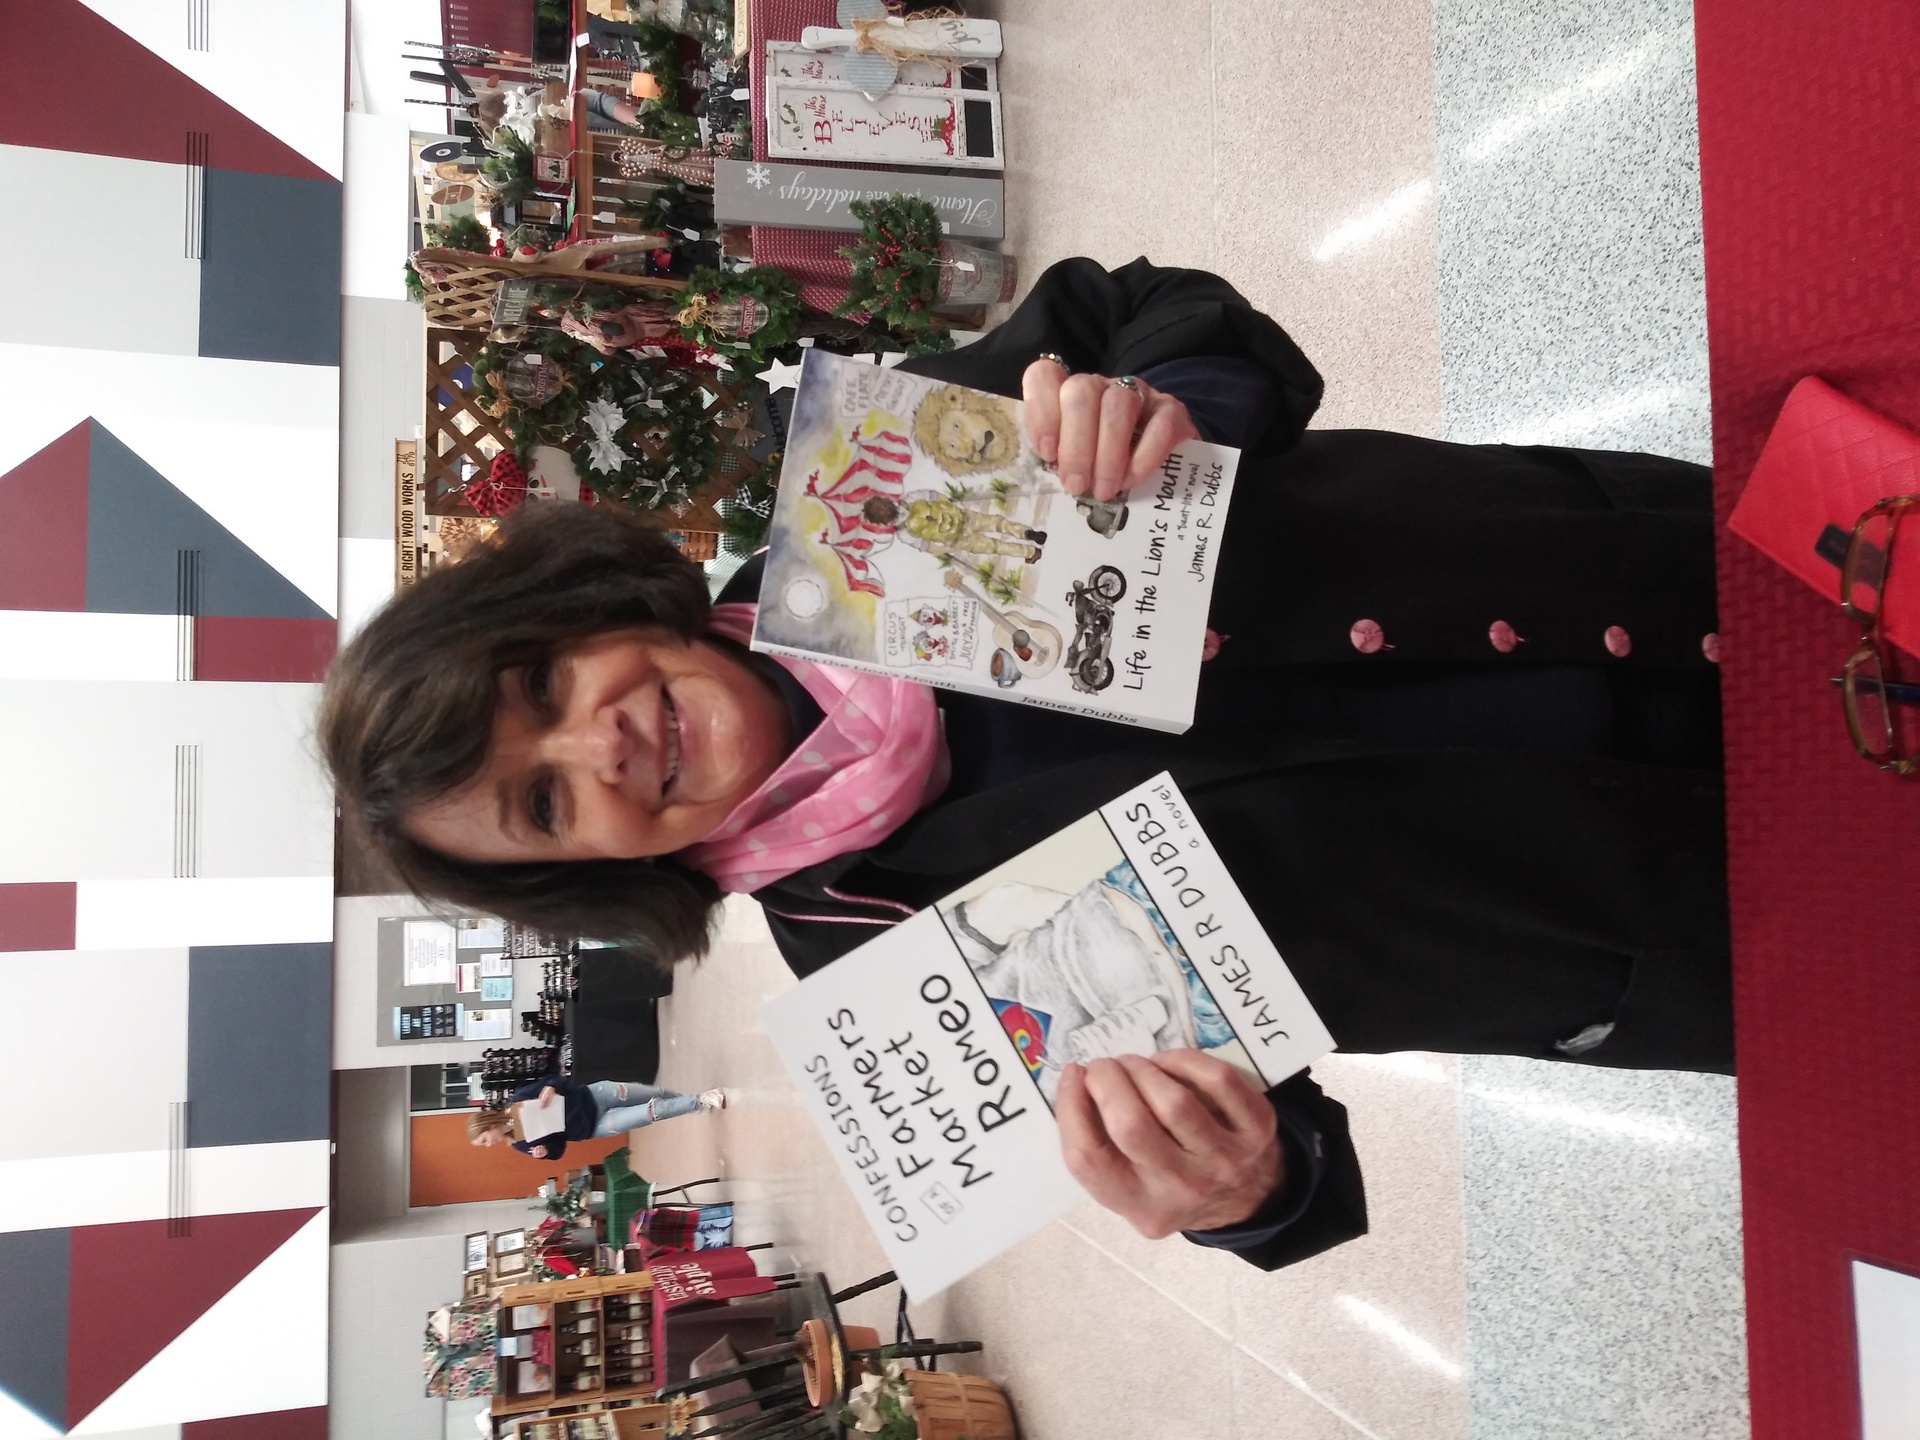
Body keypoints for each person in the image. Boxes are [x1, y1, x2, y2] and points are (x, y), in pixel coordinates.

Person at [325, 257, 1731, 1272]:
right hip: (1670, 916)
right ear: (588, 873)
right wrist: (1237, 1186)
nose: (603, 739)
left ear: (586, 611)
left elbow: (1147, 304)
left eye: (545, 684)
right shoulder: (881, 968)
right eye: (545, 799)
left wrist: (1167, 401)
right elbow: (1277, 1161)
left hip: (1621, 565)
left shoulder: (869, 501)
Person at [469, 1076, 727, 1160]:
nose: (489, 1144)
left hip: (596, 1094)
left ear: (487, 1125)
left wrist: (550, 1088)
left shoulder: (518, 1101)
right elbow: (559, 1149)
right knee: (651, 1112)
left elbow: (559, 1078)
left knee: (655, 1093)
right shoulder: (520, 1145)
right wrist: (545, 1151)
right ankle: (700, 1100)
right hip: (596, 1126)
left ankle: (686, 1103)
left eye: (484, 1140)